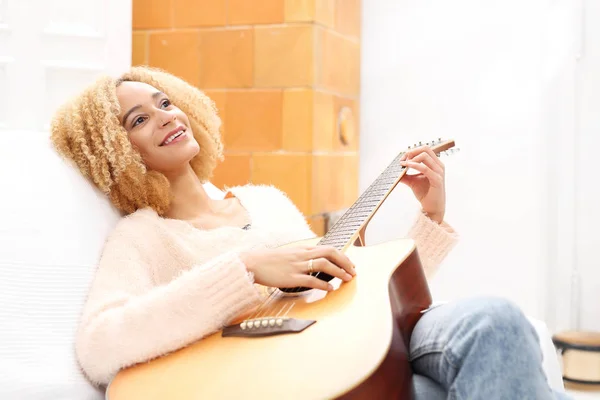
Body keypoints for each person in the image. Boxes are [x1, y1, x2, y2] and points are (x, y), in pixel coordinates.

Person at [51, 66, 569, 399]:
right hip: (290, 372)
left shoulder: (266, 200)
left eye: (165, 102)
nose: (164, 117)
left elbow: (353, 296)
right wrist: (244, 270)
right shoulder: (144, 236)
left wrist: (430, 218)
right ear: (115, 153)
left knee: (496, 318)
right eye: (138, 119)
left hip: (353, 340)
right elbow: (98, 347)